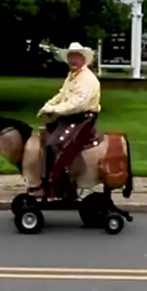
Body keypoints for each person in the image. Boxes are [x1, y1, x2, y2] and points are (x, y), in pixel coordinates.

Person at [34, 41, 101, 198]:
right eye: (70, 57)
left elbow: (77, 104)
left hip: (82, 118)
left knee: (54, 143)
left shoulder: (88, 80)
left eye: (76, 57)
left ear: (83, 59)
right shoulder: (72, 76)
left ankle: (56, 184)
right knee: (46, 137)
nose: (72, 60)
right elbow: (62, 94)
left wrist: (54, 109)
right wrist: (48, 104)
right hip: (71, 117)